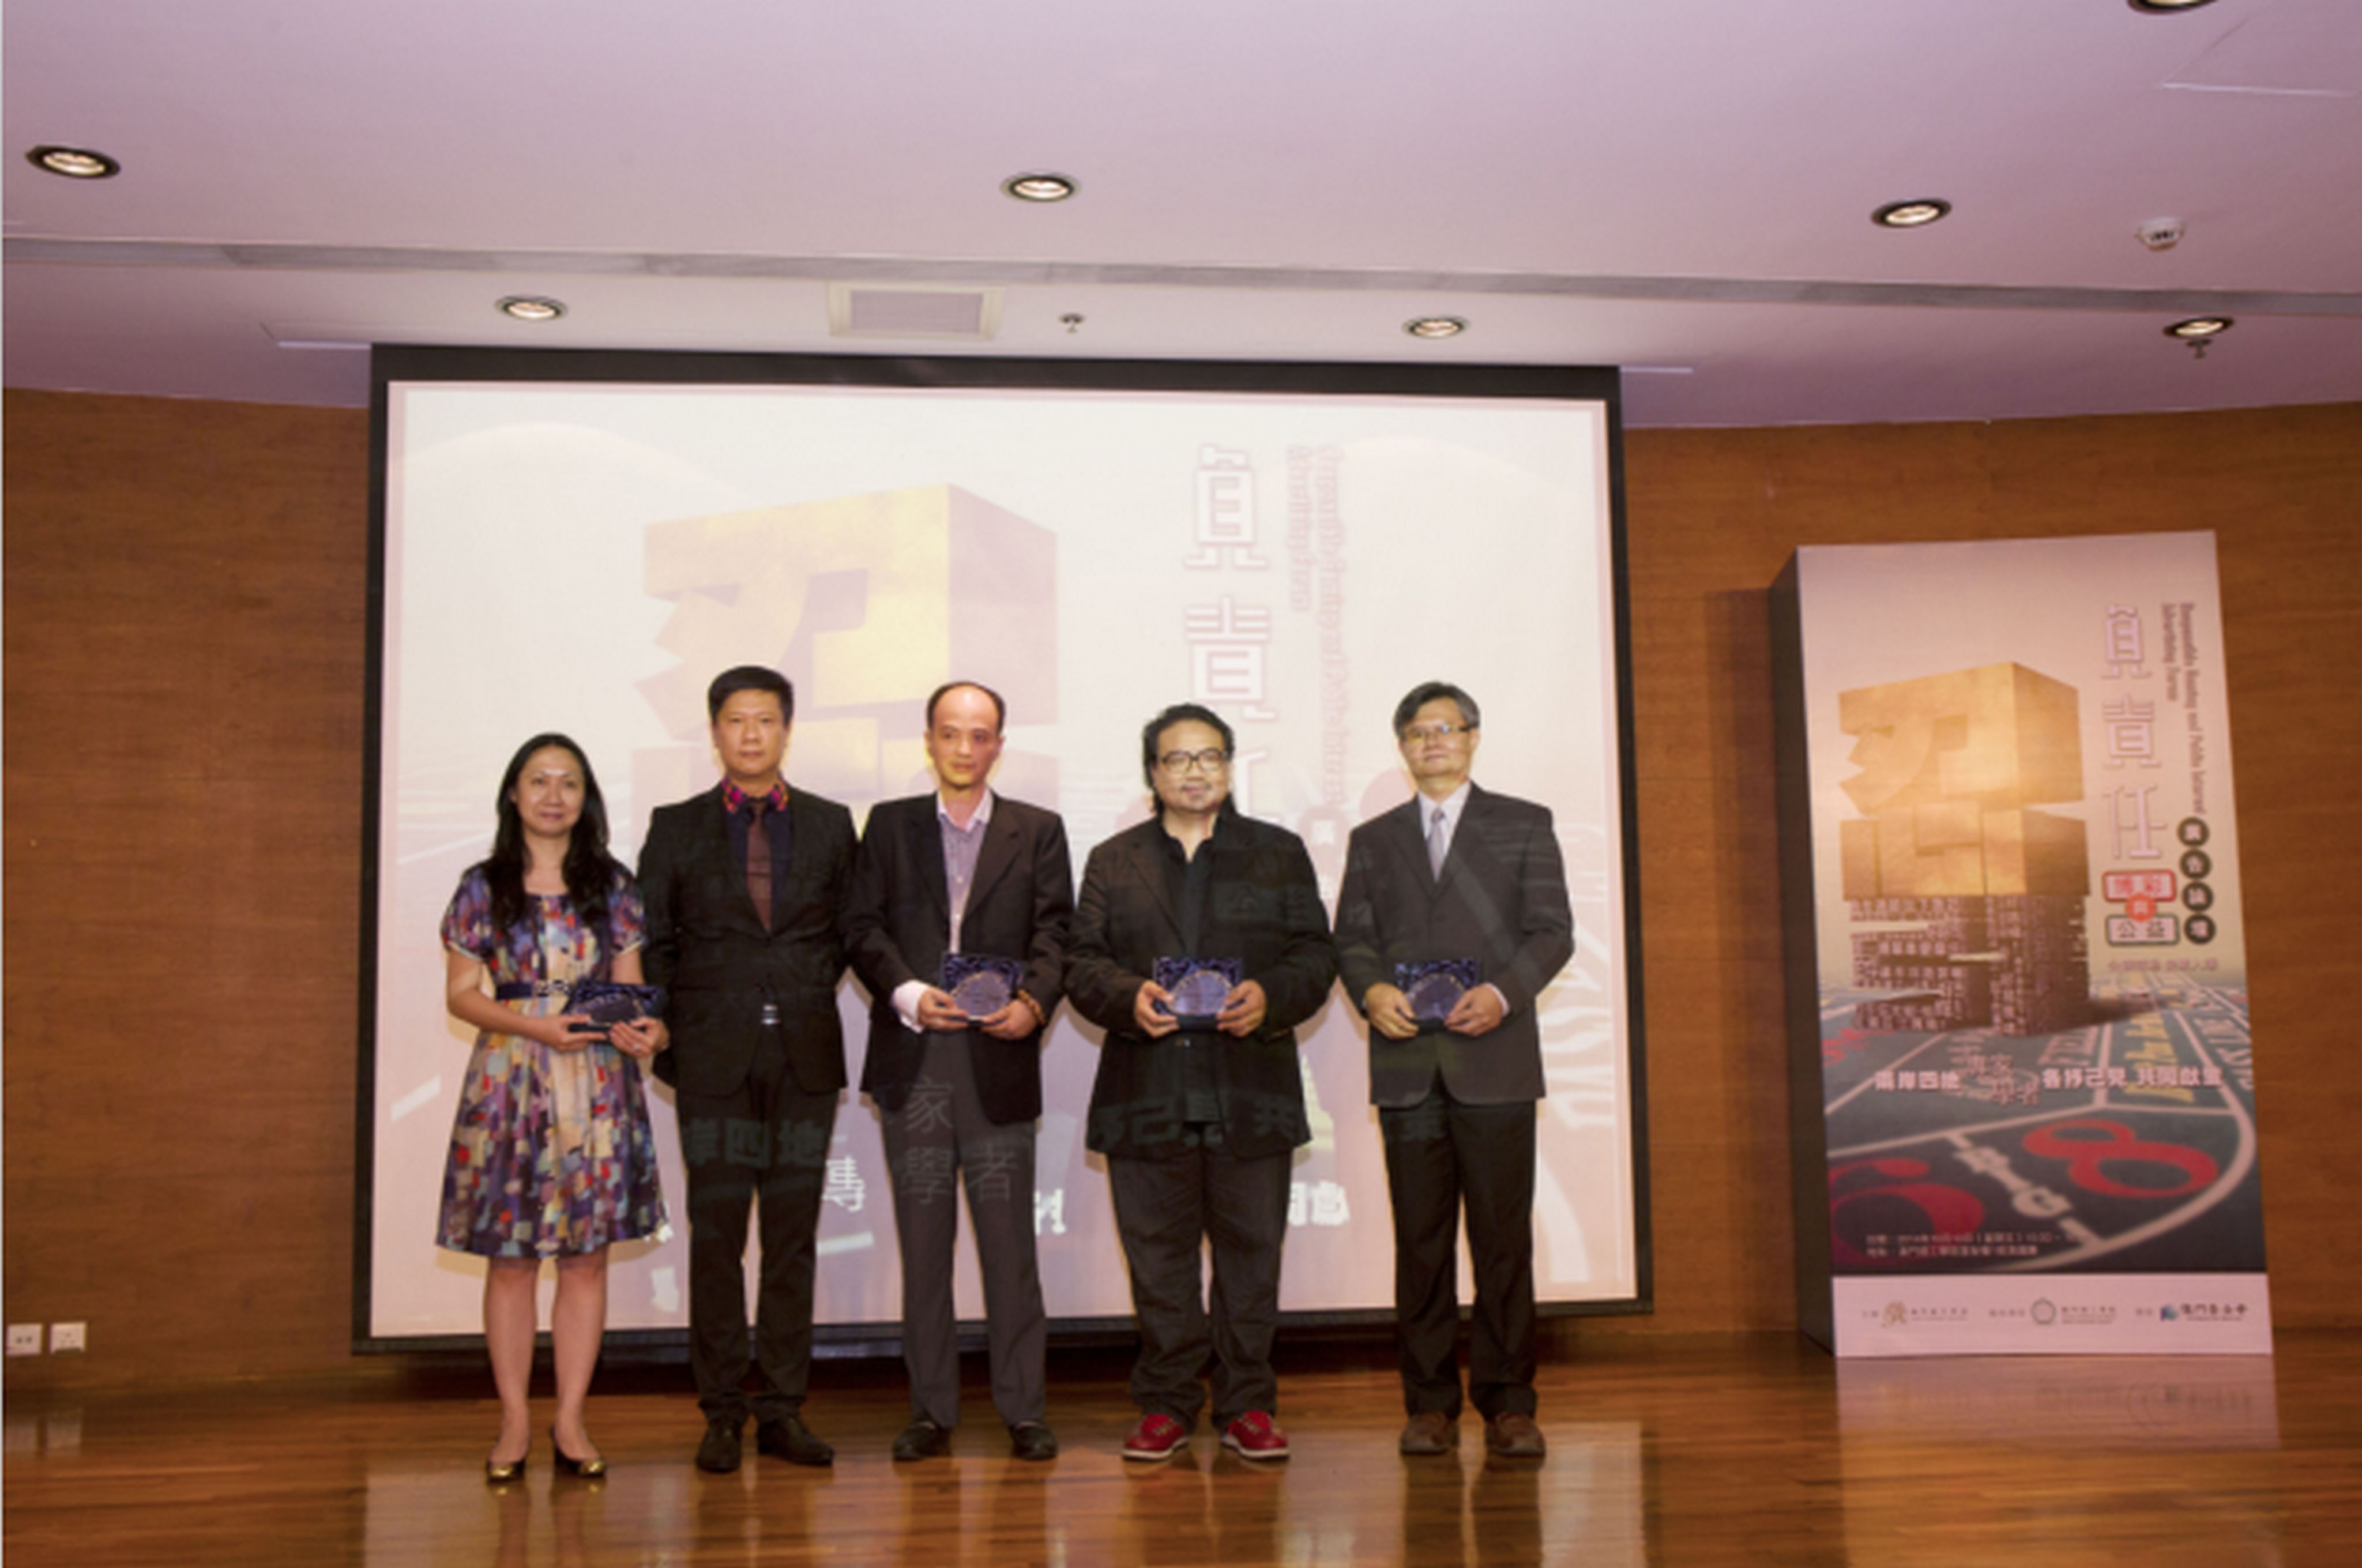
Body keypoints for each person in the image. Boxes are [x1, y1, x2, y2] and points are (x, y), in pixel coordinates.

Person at [1066, 702, 1337, 1463]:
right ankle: (1167, 1402)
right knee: (1158, 1260)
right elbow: (1081, 962)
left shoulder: (1278, 852)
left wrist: (1271, 997)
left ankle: (1248, 1404)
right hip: (1148, 1087)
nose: (1195, 771)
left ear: (1229, 765)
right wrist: (1128, 997)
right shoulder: (1114, 860)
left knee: (1252, 1257)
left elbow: (1316, 954)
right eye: (1178, 758)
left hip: (1249, 1088)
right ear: (1152, 773)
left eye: (1210, 756)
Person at [1334, 682, 1574, 1460]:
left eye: (1446, 728)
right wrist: (1371, 990)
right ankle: (1429, 1404)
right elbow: (1352, 939)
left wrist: (1502, 995)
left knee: (1503, 1243)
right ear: (1401, 746)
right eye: (1416, 732)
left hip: (1495, 1063)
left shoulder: (1523, 823)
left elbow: (1552, 932)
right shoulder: (1374, 840)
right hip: (1409, 1064)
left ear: (1473, 737)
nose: (1432, 741)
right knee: (1421, 1243)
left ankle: (1509, 1402)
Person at [637, 667, 857, 1473]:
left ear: (787, 730)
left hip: (803, 1058)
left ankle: (783, 1410)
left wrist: (793, 986)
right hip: (713, 1061)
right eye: (736, 720)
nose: (752, 734)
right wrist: (673, 1033)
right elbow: (655, 941)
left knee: (794, 1240)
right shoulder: (676, 827)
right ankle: (723, 1410)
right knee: (718, 1238)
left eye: (766, 719)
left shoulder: (831, 824)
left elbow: (848, 931)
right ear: (715, 732)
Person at [846, 681, 1073, 1463]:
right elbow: (861, 927)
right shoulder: (889, 825)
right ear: (929, 740)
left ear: (999, 745)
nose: (965, 748)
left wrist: (1034, 1004)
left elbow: (1057, 934)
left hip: (998, 1060)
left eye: (980, 735)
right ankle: (931, 1411)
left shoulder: (1037, 830)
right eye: (951, 733)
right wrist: (907, 993)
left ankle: (1024, 1411)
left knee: (1011, 1252)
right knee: (924, 1248)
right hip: (916, 1058)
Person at [437, 733, 670, 1484]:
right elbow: (461, 994)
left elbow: (631, 990)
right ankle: (513, 1419)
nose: (553, 795)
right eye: (538, 781)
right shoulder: (482, 886)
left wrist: (650, 1030)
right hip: (510, 1081)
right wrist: (537, 1027)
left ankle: (570, 1417)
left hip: (597, 1087)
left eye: (568, 782)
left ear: (585, 798)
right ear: (514, 793)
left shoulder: (615, 885)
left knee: (585, 1259)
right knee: (511, 1261)